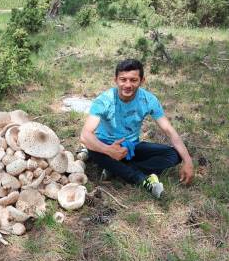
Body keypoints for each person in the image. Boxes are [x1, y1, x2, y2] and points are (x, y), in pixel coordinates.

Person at [80, 59, 194, 198]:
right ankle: (142, 179)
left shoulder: (148, 100)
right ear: (115, 80)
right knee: (94, 151)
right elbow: (85, 135)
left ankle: (118, 170)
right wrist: (109, 150)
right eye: (123, 79)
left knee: (173, 155)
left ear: (142, 80)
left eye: (133, 80)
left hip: (131, 147)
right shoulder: (104, 100)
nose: (128, 85)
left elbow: (169, 131)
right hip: (105, 146)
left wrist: (188, 161)